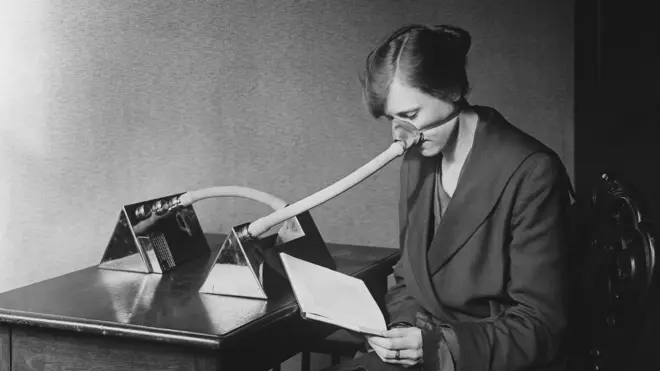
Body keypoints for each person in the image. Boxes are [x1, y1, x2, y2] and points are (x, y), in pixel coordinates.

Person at [324, 24, 574, 371]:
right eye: (391, 119)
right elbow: (407, 278)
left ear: (452, 89)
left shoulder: (532, 172)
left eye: (410, 116)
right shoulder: (417, 158)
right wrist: (401, 332)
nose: (401, 135)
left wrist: (438, 349)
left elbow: (541, 326)